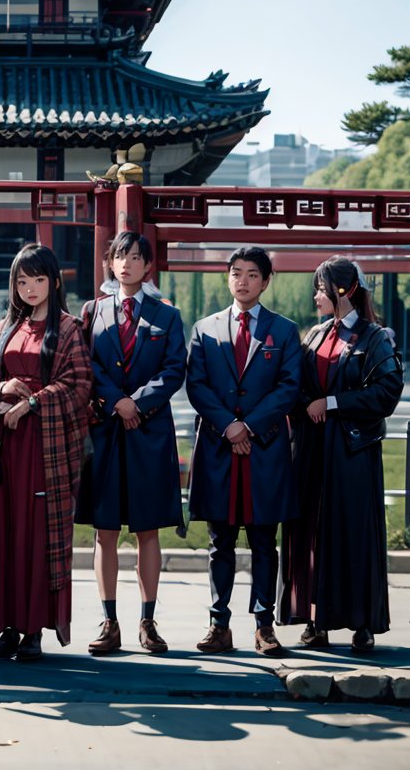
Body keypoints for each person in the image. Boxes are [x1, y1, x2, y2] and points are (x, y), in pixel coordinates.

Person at [0, 243, 91, 662]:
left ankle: (34, 628)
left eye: (38, 279)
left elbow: (79, 384)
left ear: (54, 281)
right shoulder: (7, 326)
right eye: (22, 281)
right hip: (4, 445)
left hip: (43, 451)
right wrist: (0, 390)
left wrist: (34, 403)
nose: (30, 288)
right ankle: (6, 625)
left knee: (37, 534)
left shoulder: (69, 328)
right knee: (3, 531)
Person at [278, 257, 403, 653]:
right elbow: (296, 387)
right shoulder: (314, 335)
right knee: (312, 534)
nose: (316, 296)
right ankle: (316, 621)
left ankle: (361, 623)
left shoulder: (375, 337)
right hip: (313, 450)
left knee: (353, 535)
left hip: (352, 453)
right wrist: (303, 402)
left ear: (345, 290)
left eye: (322, 288)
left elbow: (386, 394)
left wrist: (330, 403)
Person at [186, 246, 302, 656]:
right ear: (228, 277)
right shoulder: (205, 329)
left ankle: (263, 625)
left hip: (264, 448)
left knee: (263, 541)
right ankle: (219, 624)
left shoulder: (284, 330)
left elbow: (289, 387)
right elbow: (196, 385)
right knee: (220, 542)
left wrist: (249, 426)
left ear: (266, 281)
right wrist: (228, 425)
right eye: (236, 273)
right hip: (220, 446)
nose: (243, 280)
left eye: (252, 274)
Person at [77, 231, 186, 656]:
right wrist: (116, 401)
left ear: (148, 266)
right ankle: (109, 621)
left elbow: (174, 369)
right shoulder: (93, 311)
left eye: (136, 257)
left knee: (147, 530)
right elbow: (87, 364)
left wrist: (135, 404)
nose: (127, 264)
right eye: (120, 256)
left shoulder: (166, 315)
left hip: (148, 431)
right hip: (104, 430)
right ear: (110, 262)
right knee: (104, 531)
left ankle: (147, 620)